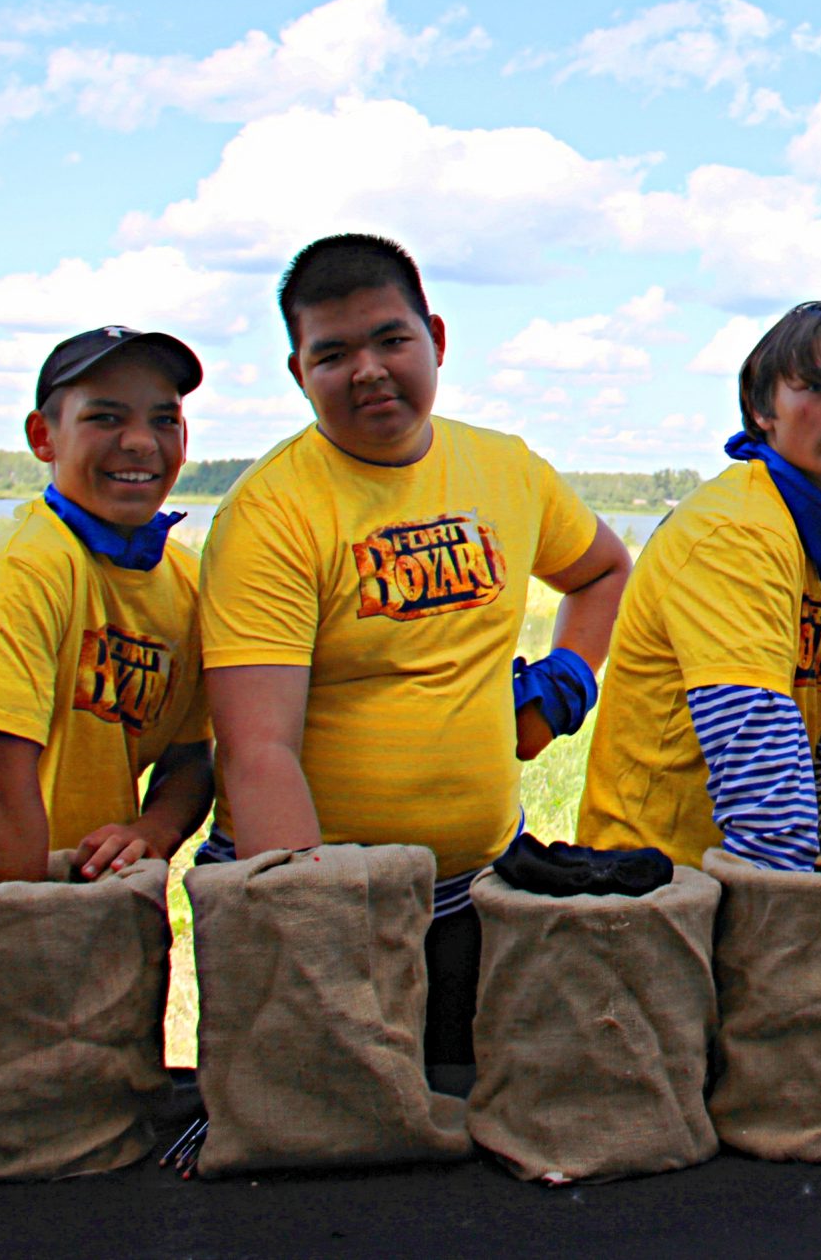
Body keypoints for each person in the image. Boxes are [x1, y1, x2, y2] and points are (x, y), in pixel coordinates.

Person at [199, 234, 630, 1065]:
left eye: (390, 340)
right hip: (321, 896)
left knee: (465, 1132)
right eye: (333, 353)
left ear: (435, 337)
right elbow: (257, 755)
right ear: (298, 373)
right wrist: (319, 936)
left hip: (478, 891)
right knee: (326, 1146)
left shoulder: (506, 469)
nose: (367, 370)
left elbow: (605, 569)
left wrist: (562, 684)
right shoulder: (271, 513)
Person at [574, 302, 821, 870]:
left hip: (735, 872)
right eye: (819, 386)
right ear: (761, 408)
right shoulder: (735, 531)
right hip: (652, 876)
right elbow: (756, 758)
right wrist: (790, 911)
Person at [0, 327, 213, 887]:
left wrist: (154, 830)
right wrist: (27, 931)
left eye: (163, 420)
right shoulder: (27, 570)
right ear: (44, 437)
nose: (139, 442)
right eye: (105, 418)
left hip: (85, 900)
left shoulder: (185, 583)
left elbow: (191, 756)